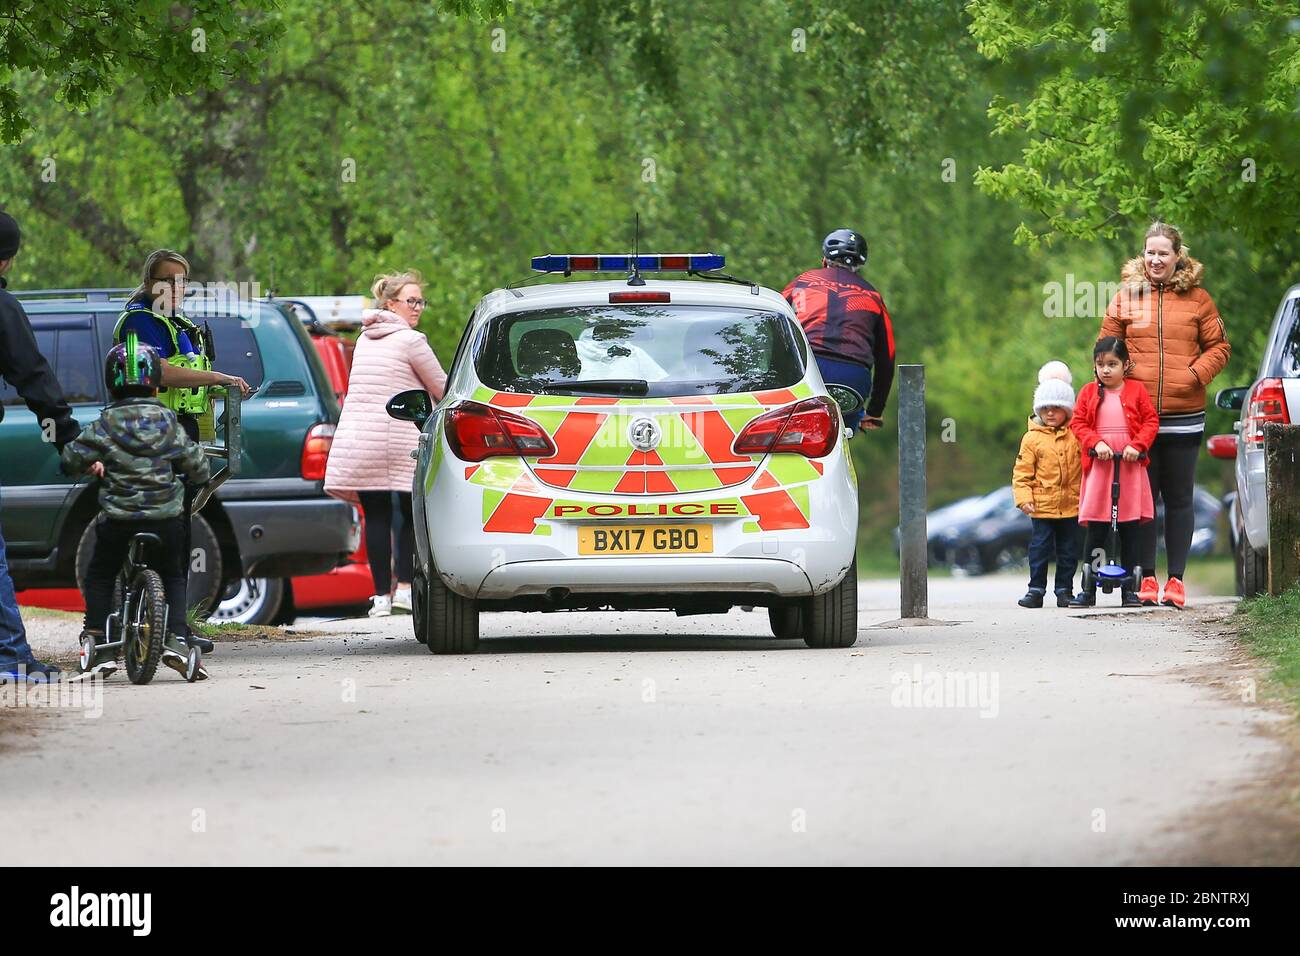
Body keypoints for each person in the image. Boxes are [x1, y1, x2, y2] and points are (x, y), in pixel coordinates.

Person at [114, 250, 253, 627]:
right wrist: (217, 379)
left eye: (182, 281)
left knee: (180, 530)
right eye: (167, 280)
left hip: (184, 432)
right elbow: (156, 372)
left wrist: (226, 387)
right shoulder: (138, 323)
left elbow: (190, 379)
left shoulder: (179, 324)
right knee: (163, 530)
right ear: (148, 284)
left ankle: (175, 625)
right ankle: (141, 621)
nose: (176, 288)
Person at [61, 337, 212, 678]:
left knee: (100, 572)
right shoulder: (169, 422)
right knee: (173, 573)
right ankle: (174, 636)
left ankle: (98, 640)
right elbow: (198, 467)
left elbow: (71, 459)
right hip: (167, 517)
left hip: (119, 518)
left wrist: (88, 463)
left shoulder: (105, 423)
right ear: (156, 385)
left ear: (111, 384)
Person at [1099, 222, 1230, 608]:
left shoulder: (1199, 300)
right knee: (1142, 500)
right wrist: (1123, 380)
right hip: (1137, 418)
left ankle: (1175, 580)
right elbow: (1105, 349)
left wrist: (1193, 375)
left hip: (1185, 413)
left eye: (1163, 253)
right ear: (1143, 255)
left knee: (1178, 498)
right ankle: (1147, 578)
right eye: (1150, 252)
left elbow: (1219, 348)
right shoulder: (1125, 298)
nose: (1156, 259)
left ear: (1177, 256)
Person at [324, 271, 447, 617]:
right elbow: (441, 387)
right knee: (409, 513)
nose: (418, 307)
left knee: (375, 515)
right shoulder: (412, 341)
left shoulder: (365, 340)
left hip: (361, 440)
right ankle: (405, 590)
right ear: (390, 304)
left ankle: (380, 598)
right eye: (412, 301)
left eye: (421, 301)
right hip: (398, 436)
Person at [0, 211, 81, 682]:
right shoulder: (4, 310)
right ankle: (10, 659)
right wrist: (68, 440)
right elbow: (34, 378)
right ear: (6, 260)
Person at [1068, 338, 1159, 608]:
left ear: (1125, 365)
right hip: (1101, 466)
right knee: (1098, 526)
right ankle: (1089, 588)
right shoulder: (1088, 393)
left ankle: (1130, 589)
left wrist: (1137, 445)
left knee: (1129, 527)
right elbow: (1078, 422)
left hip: (1129, 466)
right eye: (1100, 365)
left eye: (1112, 364)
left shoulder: (1136, 391)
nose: (1106, 370)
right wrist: (1095, 443)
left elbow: (1150, 421)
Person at [782, 228, 896, 432]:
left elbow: (775, 320)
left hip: (808, 367)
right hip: (853, 378)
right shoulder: (872, 295)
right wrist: (875, 410)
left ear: (824, 260)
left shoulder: (803, 282)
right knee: (843, 433)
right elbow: (887, 356)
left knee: (791, 432)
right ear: (859, 266)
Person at [1012, 362, 1082, 608]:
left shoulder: (1077, 436)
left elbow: (1086, 468)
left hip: (1072, 505)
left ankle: (1064, 589)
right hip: (1042, 506)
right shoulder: (1032, 438)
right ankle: (1036, 589)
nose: (1050, 413)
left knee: (1068, 550)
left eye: (1057, 408)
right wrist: (1023, 497)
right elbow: (1022, 472)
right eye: (1045, 408)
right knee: (1039, 548)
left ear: (1067, 410)